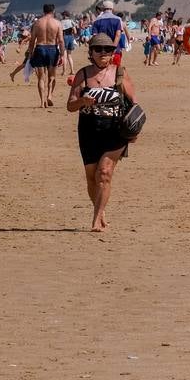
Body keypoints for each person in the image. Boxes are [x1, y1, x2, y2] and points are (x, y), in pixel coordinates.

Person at [67, 32, 139, 232]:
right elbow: (70, 106)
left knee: (104, 173)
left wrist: (134, 132)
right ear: (91, 52)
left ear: (112, 52)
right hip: (89, 130)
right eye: (98, 49)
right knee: (92, 177)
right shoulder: (83, 74)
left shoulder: (120, 74)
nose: (103, 53)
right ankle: (100, 208)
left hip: (115, 130)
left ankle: (96, 218)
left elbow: (135, 105)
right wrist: (82, 101)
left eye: (107, 49)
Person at [21, 4, 65, 108]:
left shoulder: (37, 23)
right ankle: (49, 95)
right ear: (53, 11)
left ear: (43, 11)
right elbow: (61, 41)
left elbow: (32, 40)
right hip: (52, 49)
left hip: (40, 49)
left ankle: (42, 102)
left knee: (41, 78)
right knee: (52, 77)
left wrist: (30, 53)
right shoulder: (57, 23)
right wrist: (62, 54)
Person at [90, 0, 126, 66]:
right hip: (115, 50)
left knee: (102, 73)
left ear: (103, 9)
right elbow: (118, 35)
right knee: (115, 71)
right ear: (112, 9)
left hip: (101, 52)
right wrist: (113, 49)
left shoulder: (97, 20)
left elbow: (95, 37)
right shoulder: (118, 19)